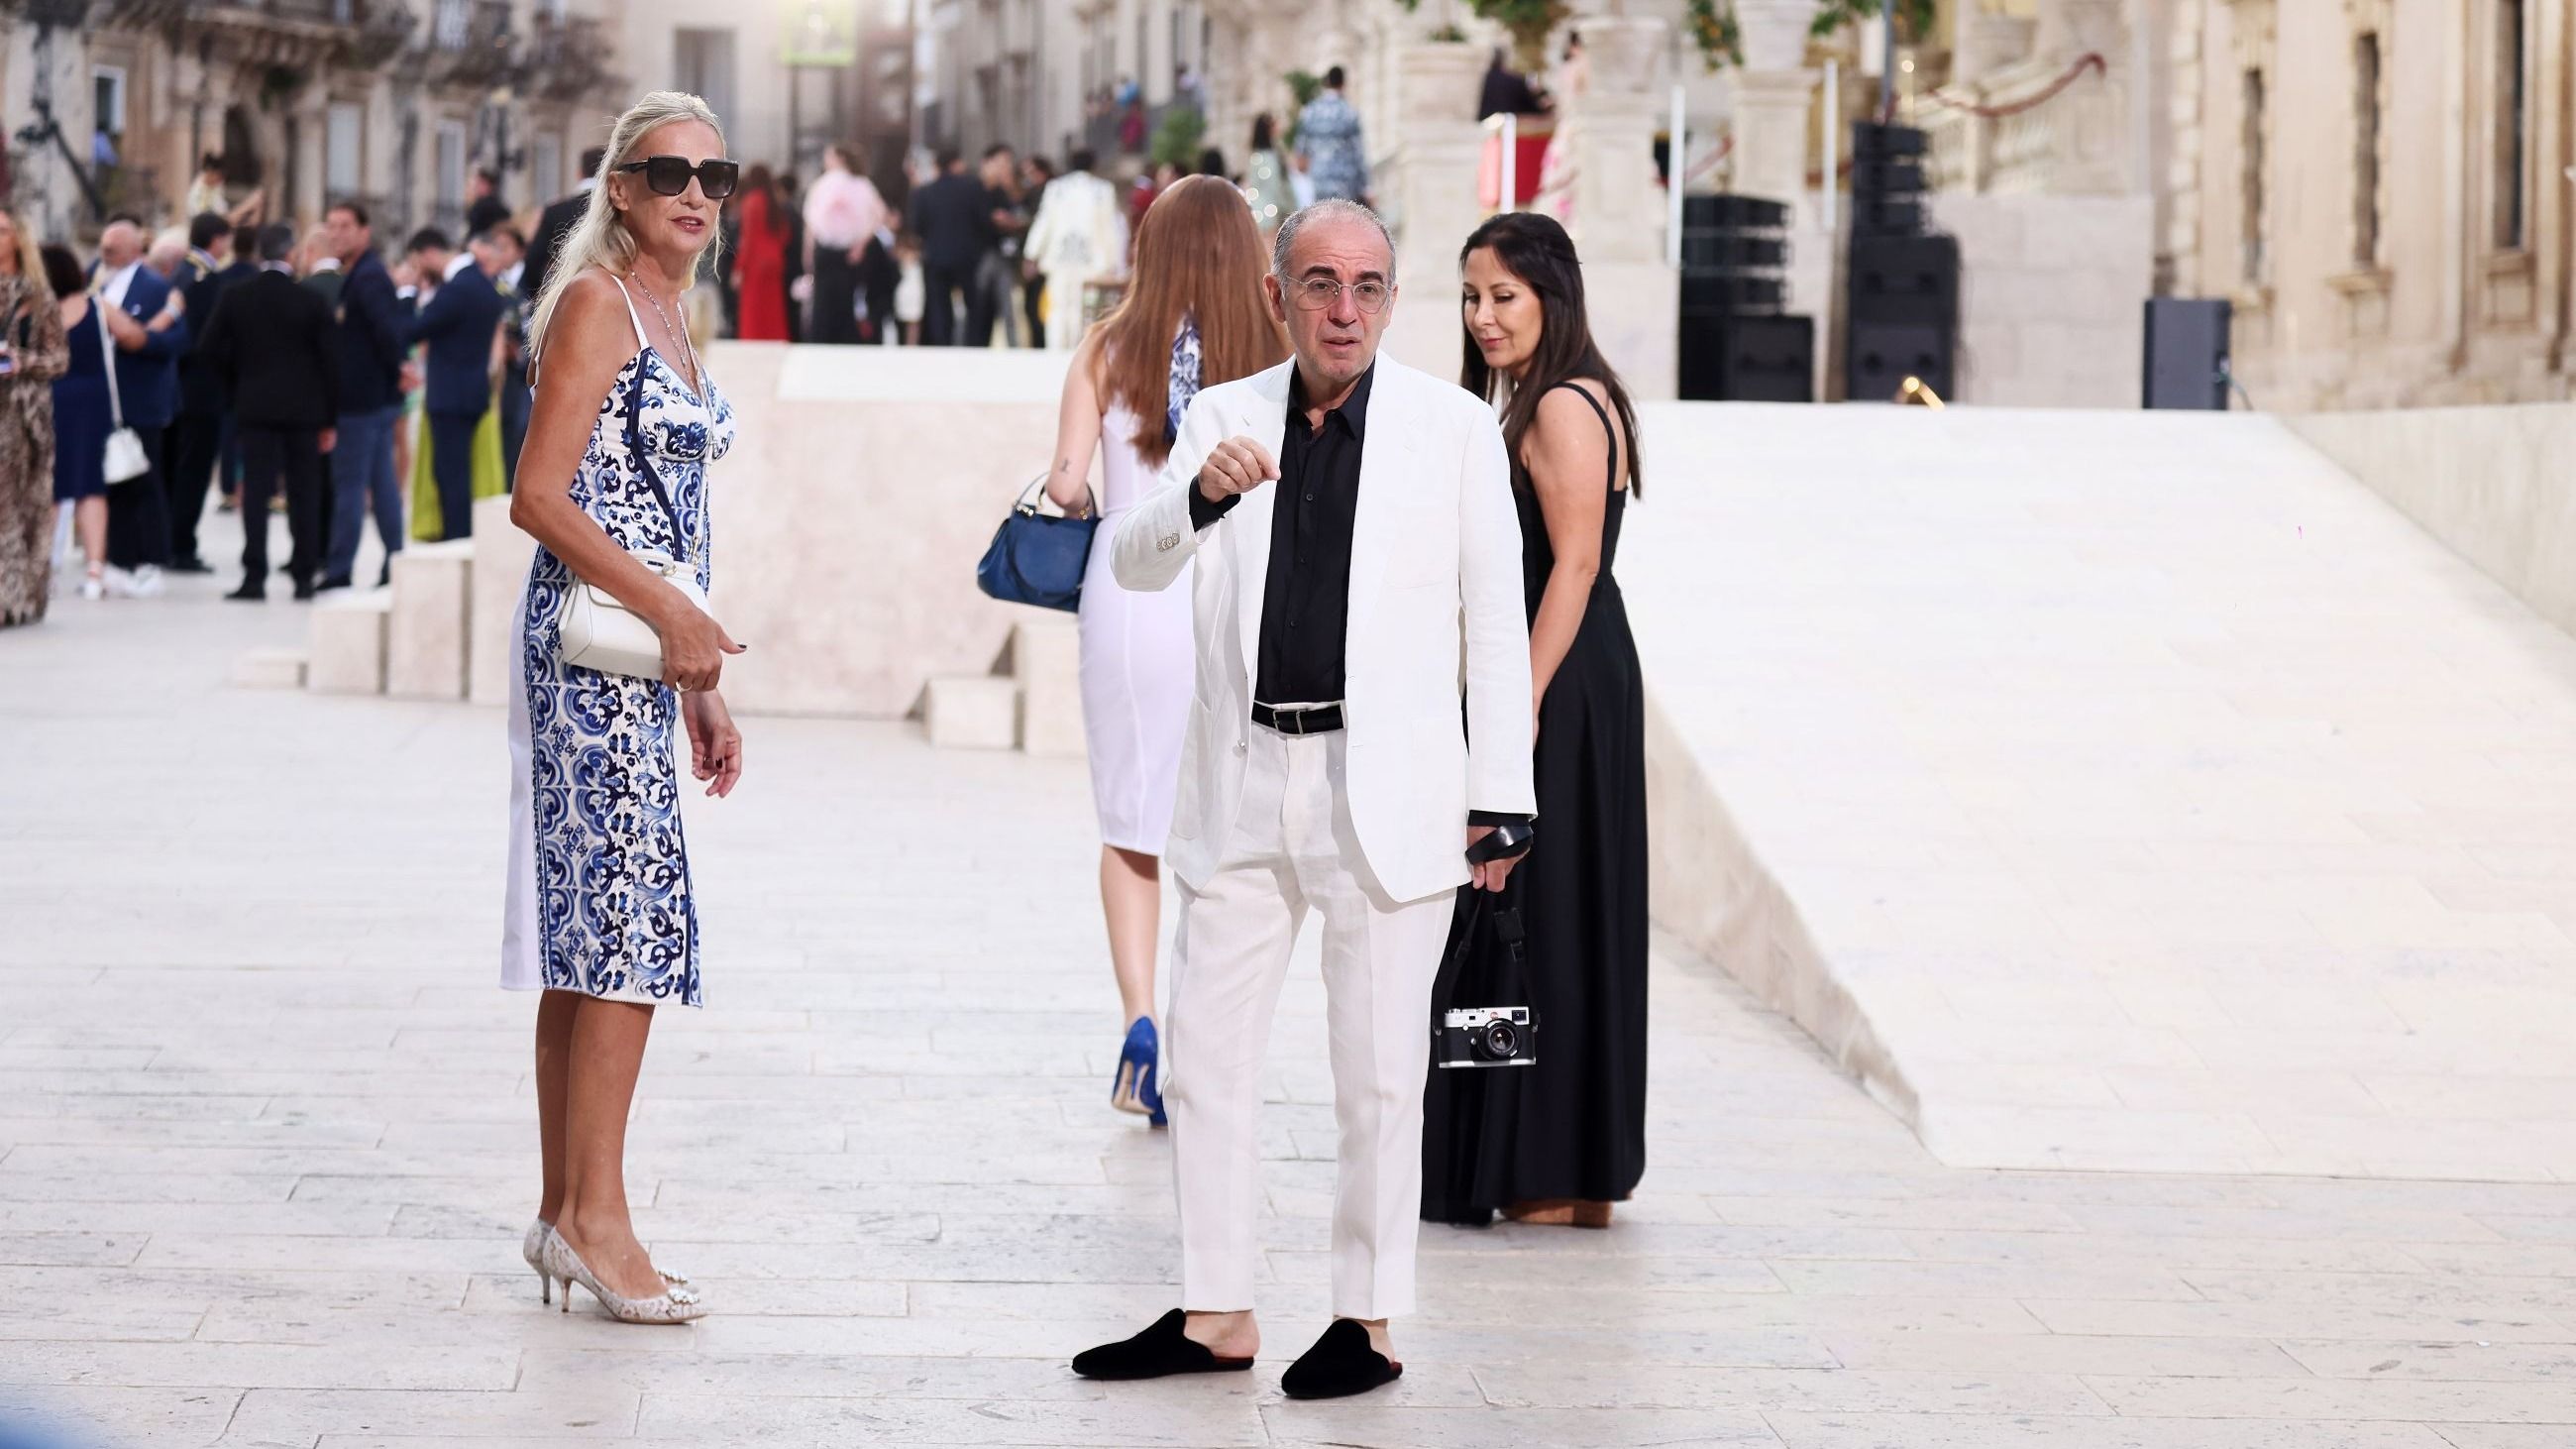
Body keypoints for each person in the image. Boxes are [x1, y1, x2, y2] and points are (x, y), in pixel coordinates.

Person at [1070, 200, 1534, 1399]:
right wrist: (1198, 500)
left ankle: (1366, 1322)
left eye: (1369, 286)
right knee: (1203, 1063)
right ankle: (1215, 1308)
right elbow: (1129, 558)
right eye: (1320, 283)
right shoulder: (1223, 416)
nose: (1344, 309)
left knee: (1379, 1073)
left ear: (1394, 296)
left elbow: (1496, 622)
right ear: (1275, 295)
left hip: (1387, 794)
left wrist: (1504, 797)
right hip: (1241, 784)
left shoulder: (1450, 428)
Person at [509, 88, 742, 1327]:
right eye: (668, 174)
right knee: (625, 938)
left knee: (599, 937)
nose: (695, 193)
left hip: (645, 657)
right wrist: (672, 621)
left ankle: (563, 1211)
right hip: (593, 657)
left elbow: (673, 512)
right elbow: (536, 496)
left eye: (714, 174)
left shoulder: (672, 314)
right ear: (620, 188)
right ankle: (600, 1221)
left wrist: (698, 671)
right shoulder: (602, 304)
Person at [1039, 175, 1288, 1129]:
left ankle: (1140, 1021)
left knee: (1129, 821)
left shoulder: (1107, 349)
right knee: (1220, 829)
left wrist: (1085, 479)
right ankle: (1201, 1042)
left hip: (1129, 594)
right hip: (1231, 595)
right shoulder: (1271, 358)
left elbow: (1068, 487)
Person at [1423, 211, 1647, 1229]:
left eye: (1502, 296)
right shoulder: (1570, 394)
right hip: (1576, 678)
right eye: (1471, 297)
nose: (1481, 317)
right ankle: (1556, 1162)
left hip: (1558, 681)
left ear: (1551, 296)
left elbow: (1574, 564)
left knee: (1526, 919)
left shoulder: (1559, 404)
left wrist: (1507, 718)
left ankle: (1539, 1164)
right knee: (1544, 919)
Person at [199, 224, 339, 602]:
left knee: (256, 493)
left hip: (254, 408)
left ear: (260, 254)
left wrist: (238, 383)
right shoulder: (311, 301)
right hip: (304, 413)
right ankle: (304, 574)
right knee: (303, 493)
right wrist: (329, 417)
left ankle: (254, 574)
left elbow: (209, 350)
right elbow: (330, 362)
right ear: (291, 254)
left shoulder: (236, 296)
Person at [397, 226, 510, 541]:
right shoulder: (484, 285)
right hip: (474, 393)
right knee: (459, 472)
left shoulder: (457, 288)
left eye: (417, 262)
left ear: (428, 254)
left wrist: (408, 293)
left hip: (450, 397)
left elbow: (413, 330)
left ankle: (456, 539)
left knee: (450, 474)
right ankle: (460, 537)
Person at [94, 218, 186, 598]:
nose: (106, 251)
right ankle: (118, 557)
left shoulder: (154, 287)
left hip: (141, 398)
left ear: (135, 249)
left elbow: (172, 342)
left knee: (146, 481)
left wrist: (138, 335)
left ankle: (151, 557)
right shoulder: (97, 281)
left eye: (113, 245)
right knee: (112, 483)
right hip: (104, 400)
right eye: (103, 245)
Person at [320, 200, 406, 591]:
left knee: (351, 486)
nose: (336, 233)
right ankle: (396, 559)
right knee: (381, 483)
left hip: (362, 401)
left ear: (363, 232)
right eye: (331, 226)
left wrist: (398, 369)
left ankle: (340, 568)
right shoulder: (360, 274)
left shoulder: (368, 278)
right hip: (373, 399)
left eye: (344, 226)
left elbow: (386, 332)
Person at [167, 212, 252, 574]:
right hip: (201, 390)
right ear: (218, 240)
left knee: (179, 466)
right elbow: (208, 340)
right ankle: (181, 544)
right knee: (194, 470)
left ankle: (173, 539)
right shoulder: (205, 280)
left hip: (180, 389)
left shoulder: (181, 273)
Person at [0, 214, 64, 626]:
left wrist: (20, 361)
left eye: (3, 230)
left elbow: (60, 360)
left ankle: (18, 595)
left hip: (22, 420)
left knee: (21, 506)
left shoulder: (38, 299)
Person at [45, 245, 107, 603]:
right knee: (89, 486)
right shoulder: (96, 307)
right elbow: (132, 334)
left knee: (49, 486)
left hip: (50, 397)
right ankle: (95, 568)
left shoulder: (34, 310)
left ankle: (46, 565)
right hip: (91, 401)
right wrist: (170, 313)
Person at [1022, 149, 1127, 352]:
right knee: (1084, 309)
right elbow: (1110, 228)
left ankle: (1055, 349)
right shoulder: (1102, 190)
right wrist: (1115, 262)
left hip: (1059, 256)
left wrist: (1031, 254)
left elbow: (1044, 222)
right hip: (1091, 259)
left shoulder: (1056, 188)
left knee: (1058, 306)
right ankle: (1079, 352)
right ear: (1093, 165)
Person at [802, 143, 889, 345]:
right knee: (845, 298)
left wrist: (808, 256)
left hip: (826, 250)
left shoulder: (823, 184)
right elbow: (879, 215)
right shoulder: (862, 184)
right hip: (850, 250)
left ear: (839, 158)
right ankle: (846, 339)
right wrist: (862, 244)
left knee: (823, 301)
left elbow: (811, 224)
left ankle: (821, 339)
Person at [907, 149, 991, 347]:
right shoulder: (973, 188)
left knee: (939, 306)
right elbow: (984, 221)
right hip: (968, 256)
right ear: (956, 163)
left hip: (936, 256)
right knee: (973, 305)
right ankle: (973, 344)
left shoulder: (924, 192)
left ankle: (943, 343)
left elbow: (916, 226)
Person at [525, 147, 604, 305]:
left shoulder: (555, 211)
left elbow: (534, 262)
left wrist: (541, 297)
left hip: (564, 295)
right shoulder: (619, 209)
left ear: (579, 173)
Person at [728, 164, 790, 342]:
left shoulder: (751, 202)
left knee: (753, 310)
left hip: (756, 264)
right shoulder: (774, 202)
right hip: (774, 262)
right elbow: (784, 234)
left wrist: (739, 268)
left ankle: (753, 339)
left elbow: (748, 240)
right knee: (773, 309)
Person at [978, 146, 1029, 348]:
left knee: (1007, 304)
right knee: (981, 302)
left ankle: (1013, 344)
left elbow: (1015, 218)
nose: (1005, 167)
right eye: (1002, 162)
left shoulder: (1006, 190)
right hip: (983, 253)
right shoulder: (977, 189)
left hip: (1004, 255)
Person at [1295, 67, 1371, 205]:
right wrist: (1366, 187)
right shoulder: (1349, 112)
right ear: (1342, 84)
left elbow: (1301, 153)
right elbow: (1358, 154)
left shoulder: (1310, 112)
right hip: (1345, 183)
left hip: (1318, 181)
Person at [1020, 155, 1055, 348]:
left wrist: (1031, 257)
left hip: (1044, 261)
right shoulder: (1031, 192)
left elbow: (1041, 227)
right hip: (1035, 259)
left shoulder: (1051, 193)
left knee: (1040, 306)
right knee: (1031, 306)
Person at [466, 167, 512, 238]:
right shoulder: (498, 205)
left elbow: (473, 232)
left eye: (478, 184)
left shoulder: (482, 206)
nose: (475, 188)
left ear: (486, 185)